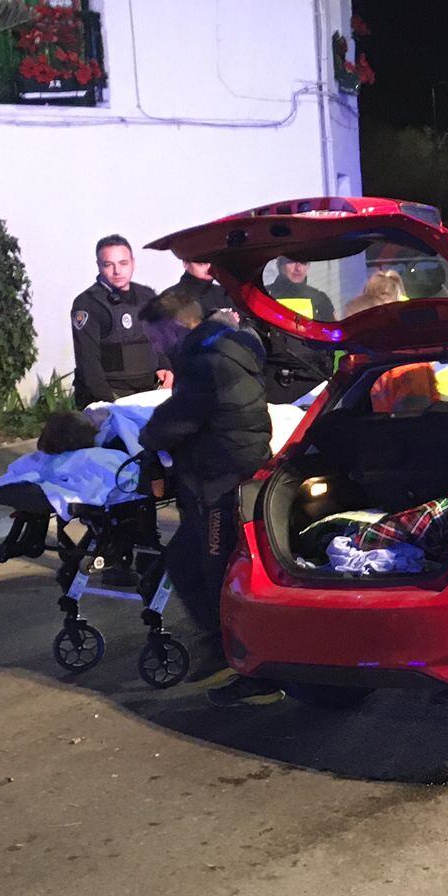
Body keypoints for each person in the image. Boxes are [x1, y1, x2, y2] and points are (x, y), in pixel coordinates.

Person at [137, 289, 277, 705]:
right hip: (232, 471)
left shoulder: (204, 361)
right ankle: (230, 652)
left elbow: (178, 419)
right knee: (186, 559)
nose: (154, 347)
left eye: (155, 337)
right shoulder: (231, 346)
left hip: (219, 480)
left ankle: (246, 665)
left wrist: (147, 435)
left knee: (217, 574)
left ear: (176, 326)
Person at [72, 234, 166, 408]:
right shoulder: (87, 304)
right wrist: (110, 404)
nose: (117, 271)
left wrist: (167, 370)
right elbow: (88, 362)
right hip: (111, 396)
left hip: (150, 393)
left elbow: (160, 341)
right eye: (109, 265)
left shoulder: (147, 296)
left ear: (133, 263)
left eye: (123, 263)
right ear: (99, 266)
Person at [258, 254, 336, 404]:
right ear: (280, 265)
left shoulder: (320, 299)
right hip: (274, 382)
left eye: (303, 262)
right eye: (292, 261)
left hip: (313, 380)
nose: (298, 268)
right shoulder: (265, 297)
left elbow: (331, 341)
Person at [159, 257, 234, 323]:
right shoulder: (170, 296)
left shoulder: (224, 293)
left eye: (212, 262)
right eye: (201, 264)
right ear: (185, 263)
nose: (208, 268)